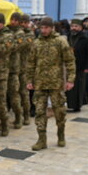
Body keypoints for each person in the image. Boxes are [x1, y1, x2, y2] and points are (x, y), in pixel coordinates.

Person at [25, 16, 76, 150]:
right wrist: (29, 80)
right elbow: (30, 63)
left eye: (46, 27)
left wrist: (70, 80)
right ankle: (42, 139)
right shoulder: (36, 43)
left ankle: (61, 135)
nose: (44, 30)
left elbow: (70, 61)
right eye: (41, 27)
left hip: (56, 84)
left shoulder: (60, 42)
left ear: (52, 28)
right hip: (40, 84)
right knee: (40, 112)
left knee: (59, 111)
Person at [66, 19, 88, 112]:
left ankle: (77, 105)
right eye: (72, 26)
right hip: (68, 65)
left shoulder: (85, 38)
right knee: (70, 86)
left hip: (80, 65)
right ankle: (70, 104)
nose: (74, 28)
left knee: (78, 86)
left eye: (76, 26)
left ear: (80, 28)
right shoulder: (67, 37)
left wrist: (87, 66)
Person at [6, 13, 25, 129]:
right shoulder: (7, 31)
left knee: (14, 95)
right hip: (3, 68)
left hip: (13, 68)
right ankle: (5, 120)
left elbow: (16, 47)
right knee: (4, 97)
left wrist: (7, 41)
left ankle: (19, 117)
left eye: (15, 20)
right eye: (11, 19)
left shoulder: (20, 34)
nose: (13, 22)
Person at [18, 14, 35, 125]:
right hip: (15, 66)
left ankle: (27, 113)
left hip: (26, 67)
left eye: (25, 22)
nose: (23, 24)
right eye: (22, 22)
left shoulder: (30, 35)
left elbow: (23, 45)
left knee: (25, 92)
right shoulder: (17, 33)